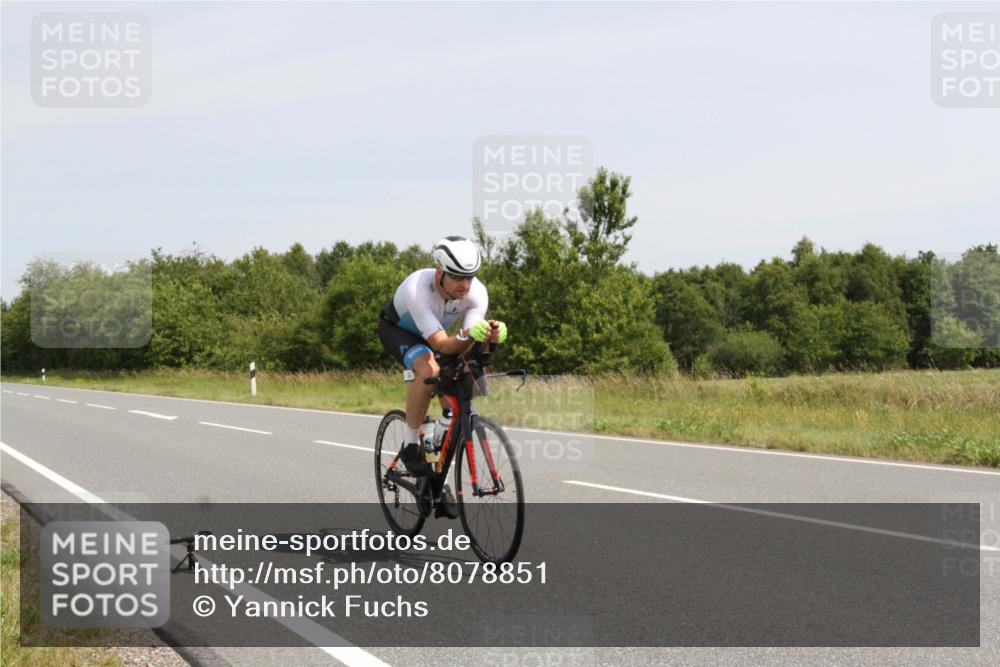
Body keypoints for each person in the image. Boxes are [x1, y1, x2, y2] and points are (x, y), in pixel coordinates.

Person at [378, 236, 507, 518]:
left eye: (470, 277)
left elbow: (467, 343)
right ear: (440, 273)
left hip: (440, 337)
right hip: (400, 332)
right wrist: (468, 338)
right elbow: (442, 345)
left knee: (455, 402)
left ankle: (439, 481)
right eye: (458, 277)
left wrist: (488, 338)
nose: (465, 285)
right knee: (430, 369)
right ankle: (412, 444)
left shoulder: (476, 293)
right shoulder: (417, 288)